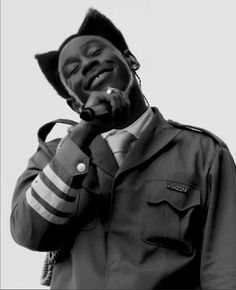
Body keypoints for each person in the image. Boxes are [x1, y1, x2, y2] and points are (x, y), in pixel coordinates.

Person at [10, 8, 236, 289]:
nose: (88, 65)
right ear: (74, 104)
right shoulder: (52, 156)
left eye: (95, 52)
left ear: (130, 59)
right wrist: (84, 133)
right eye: (74, 70)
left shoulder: (204, 154)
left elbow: (225, 271)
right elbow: (28, 232)